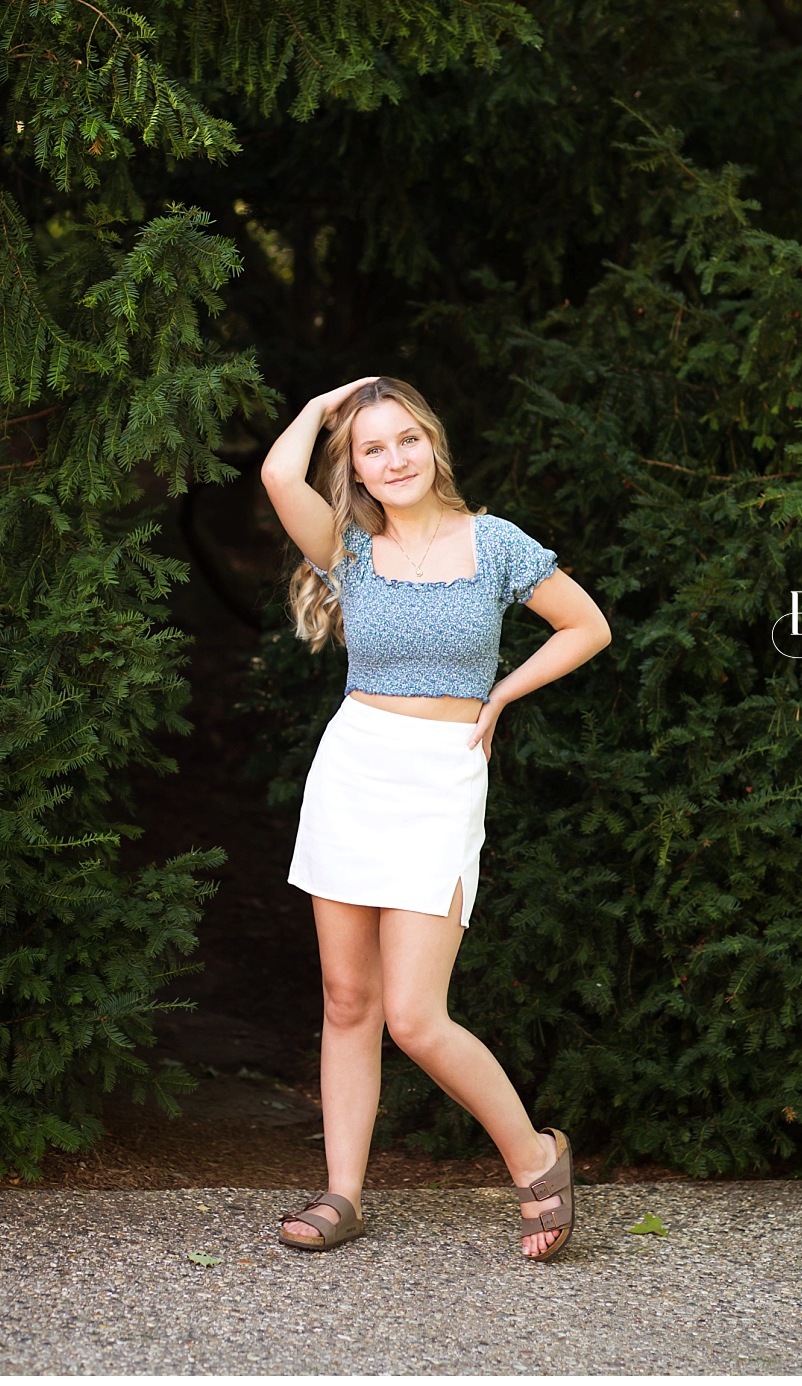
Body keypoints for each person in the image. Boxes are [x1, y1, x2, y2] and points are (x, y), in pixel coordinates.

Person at [258, 374, 612, 1261]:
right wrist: (317, 409)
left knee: (415, 1015)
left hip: (441, 778)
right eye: (372, 448)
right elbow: (275, 477)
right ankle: (343, 1195)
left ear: (433, 443)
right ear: (358, 470)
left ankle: (535, 1156)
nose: (394, 458)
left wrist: (501, 696)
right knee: (348, 1001)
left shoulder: (492, 543)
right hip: (353, 769)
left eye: (406, 438)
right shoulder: (344, 545)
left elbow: (587, 626)